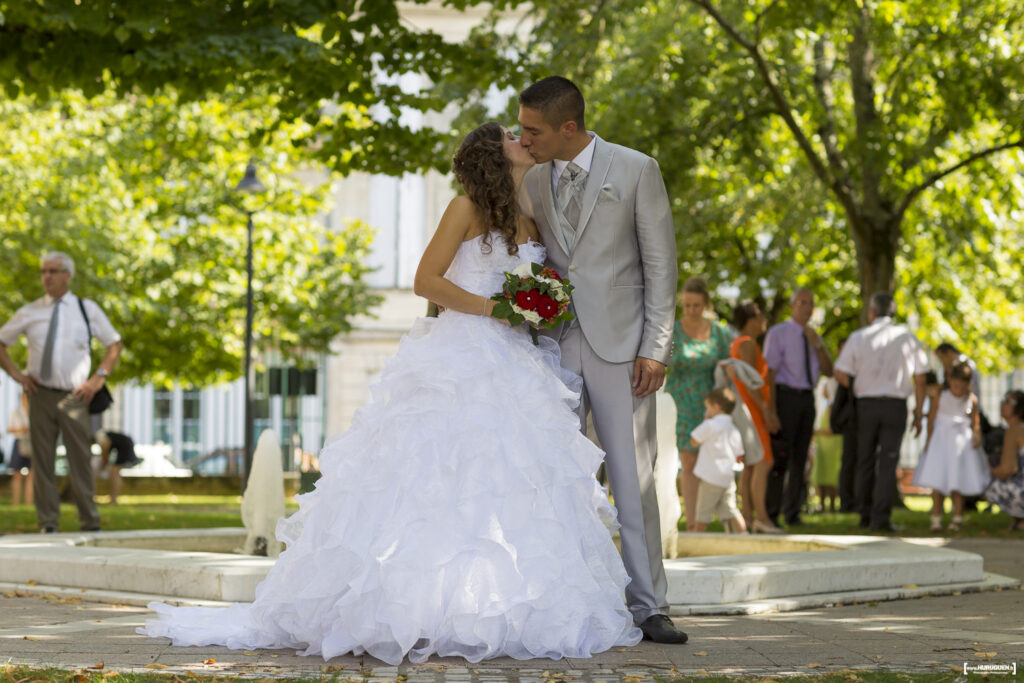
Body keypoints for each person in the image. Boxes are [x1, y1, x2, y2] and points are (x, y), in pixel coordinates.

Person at [140, 122, 644, 663]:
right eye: (509, 135)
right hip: (463, 351)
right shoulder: (463, 208)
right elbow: (425, 281)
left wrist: (538, 303)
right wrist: (497, 308)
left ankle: (493, 602)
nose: (521, 138)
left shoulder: (530, 214)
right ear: (490, 155)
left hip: (519, 360)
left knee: (510, 477)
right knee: (434, 477)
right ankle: (413, 604)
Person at [517, 77, 684, 644]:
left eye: (532, 130)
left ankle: (650, 606)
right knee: (562, 478)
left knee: (632, 478)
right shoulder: (535, 179)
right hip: (555, 347)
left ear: (569, 127)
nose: (524, 138)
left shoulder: (638, 169)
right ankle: (569, 602)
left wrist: (655, 347)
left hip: (624, 348)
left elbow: (661, 264)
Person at [0, 251, 122, 533]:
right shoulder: (30, 311)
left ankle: (89, 522)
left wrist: (98, 379)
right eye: (44, 271)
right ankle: (47, 523)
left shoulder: (86, 309)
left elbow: (113, 344)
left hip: (75, 396)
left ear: (67, 275)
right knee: (42, 461)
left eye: (53, 271)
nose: (47, 276)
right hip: (39, 394)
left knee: (80, 459)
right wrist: (17, 375)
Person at [833, 292, 929, 532]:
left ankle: (864, 514)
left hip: (866, 406)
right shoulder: (907, 337)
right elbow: (920, 378)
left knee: (864, 460)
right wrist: (918, 413)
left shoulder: (858, 337)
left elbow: (840, 372)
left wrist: (858, 387)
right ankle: (881, 517)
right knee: (888, 461)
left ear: (872, 312)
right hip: (895, 407)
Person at [664, 277, 733, 532]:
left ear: (706, 304)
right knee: (689, 459)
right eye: (687, 305)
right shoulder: (672, 329)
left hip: (710, 404)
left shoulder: (719, 333)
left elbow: (729, 367)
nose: (692, 310)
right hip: (681, 401)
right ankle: (693, 522)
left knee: (712, 459)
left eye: (696, 305)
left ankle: (714, 516)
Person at [762, 287, 833, 527]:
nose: (807, 307)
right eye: (802, 302)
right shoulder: (778, 333)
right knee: (780, 457)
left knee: (800, 459)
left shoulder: (815, 336)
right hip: (785, 398)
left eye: (810, 302)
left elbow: (829, 371)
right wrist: (771, 409)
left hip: (807, 399)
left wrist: (819, 345)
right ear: (792, 306)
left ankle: (793, 512)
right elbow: (769, 373)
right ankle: (772, 512)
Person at [912, 361, 990, 532]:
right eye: (956, 383)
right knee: (938, 482)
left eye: (962, 384)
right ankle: (936, 518)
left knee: (957, 480)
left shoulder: (971, 399)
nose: (958, 387)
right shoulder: (940, 396)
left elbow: (974, 422)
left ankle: (957, 517)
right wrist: (929, 441)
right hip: (941, 442)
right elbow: (932, 419)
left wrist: (976, 435)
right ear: (950, 379)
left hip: (960, 445)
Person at [728, 301, 782, 534]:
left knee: (751, 465)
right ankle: (761, 517)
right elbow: (751, 384)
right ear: (750, 320)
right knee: (763, 461)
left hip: (745, 409)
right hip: (752, 410)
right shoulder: (747, 343)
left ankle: (748, 519)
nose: (764, 321)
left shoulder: (740, 343)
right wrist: (767, 412)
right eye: (760, 316)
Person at [690, 388, 746, 534]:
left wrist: (705, 420)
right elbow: (739, 454)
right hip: (727, 477)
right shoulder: (734, 429)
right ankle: (744, 535)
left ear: (715, 407)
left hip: (710, 476)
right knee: (731, 509)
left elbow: (694, 440)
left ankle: (697, 538)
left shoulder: (710, 424)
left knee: (703, 513)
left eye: (707, 407)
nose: (706, 411)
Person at [984, 390, 1024, 531]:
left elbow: (1008, 469)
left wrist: (990, 472)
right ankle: (1018, 520)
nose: (1003, 404)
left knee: (986, 483)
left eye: (1008, 401)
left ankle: (1020, 519)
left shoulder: (1014, 431)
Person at [812, 372, 843, 514]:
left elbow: (832, 430)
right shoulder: (827, 406)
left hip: (831, 446)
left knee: (830, 477)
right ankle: (823, 506)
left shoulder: (832, 408)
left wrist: (815, 432)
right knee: (822, 476)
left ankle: (830, 507)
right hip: (823, 445)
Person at [94, 429, 141, 504]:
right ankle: (113, 497)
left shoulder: (100, 437)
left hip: (125, 449)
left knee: (114, 472)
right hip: (126, 447)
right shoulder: (105, 435)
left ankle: (113, 497)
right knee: (115, 472)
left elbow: (105, 453)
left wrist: (102, 466)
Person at [6, 392, 34, 507]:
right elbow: (9, 429)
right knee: (17, 474)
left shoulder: (35, 412)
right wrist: (22, 429)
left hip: (32, 444)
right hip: (19, 443)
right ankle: (15, 503)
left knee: (31, 475)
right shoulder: (16, 413)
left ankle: (29, 503)